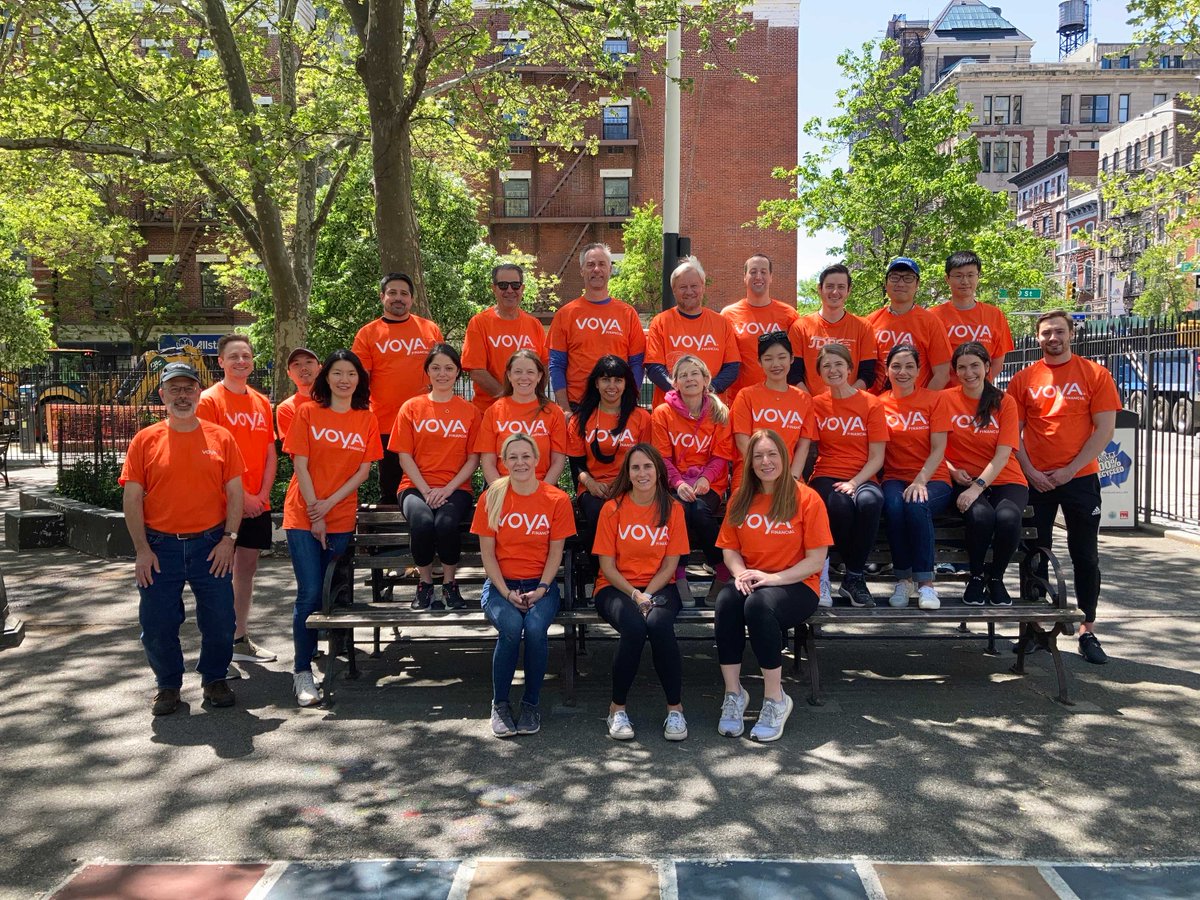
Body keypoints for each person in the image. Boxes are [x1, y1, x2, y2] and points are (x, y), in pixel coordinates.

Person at [121, 362, 244, 716]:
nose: (182, 395)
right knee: (158, 623)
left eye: (188, 388)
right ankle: (168, 686)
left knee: (221, 619)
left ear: (199, 394)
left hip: (211, 546)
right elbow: (132, 498)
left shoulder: (221, 438)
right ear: (162, 396)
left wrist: (229, 540)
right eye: (174, 389)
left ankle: (214, 678)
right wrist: (141, 550)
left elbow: (235, 492)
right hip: (160, 548)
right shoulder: (145, 440)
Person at [1007, 311, 1120, 664]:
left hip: (1080, 479)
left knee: (1085, 555)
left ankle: (1088, 630)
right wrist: (1029, 470)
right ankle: (1034, 629)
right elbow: (1013, 432)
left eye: (1059, 331)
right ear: (1037, 337)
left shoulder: (1095, 374)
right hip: (1036, 480)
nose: (1052, 337)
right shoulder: (1025, 378)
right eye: (1045, 333)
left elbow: (1104, 430)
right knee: (1034, 554)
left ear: (1071, 333)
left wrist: (1071, 470)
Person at [714, 429, 832, 743]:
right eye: (758, 456)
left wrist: (772, 579)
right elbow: (730, 548)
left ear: (785, 457)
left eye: (772, 454)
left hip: (796, 584)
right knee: (727, 602)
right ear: (750, 462)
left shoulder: (806, 498)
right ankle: (734, 694)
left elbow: (816, 560)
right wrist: (739, 573)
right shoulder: (741, 497)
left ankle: (775, 699)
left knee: (758, 605)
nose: (766, 461)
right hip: (753, 578)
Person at [282, 350, 381, 706]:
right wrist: (316, 510)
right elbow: (301, 465)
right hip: (302, 515)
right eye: (337, 373)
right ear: (327, 377)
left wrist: (329, 506)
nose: (344, 380)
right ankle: (301, 670)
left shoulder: (366, 418)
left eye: (351, 374)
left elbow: (363, 472)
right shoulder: (308, 412)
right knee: (310, 592)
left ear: (359, 380)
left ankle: (333, 657)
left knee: (334, 591)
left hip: (340, 516)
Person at [471, 433, 576, 737]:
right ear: (503, 462)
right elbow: (487, 554)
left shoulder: (556, 499)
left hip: (541, 586)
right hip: (500, 586)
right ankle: (500, 704)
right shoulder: (492, 497)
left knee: (533, 629)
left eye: (526, 456)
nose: (520, 462)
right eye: (513, 457)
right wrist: (505, 592)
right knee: (511, 628)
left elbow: (556, 552)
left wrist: (542, 588)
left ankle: (531, 704)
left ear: (537, 460)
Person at [592, 444, 690, 742]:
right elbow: (607, 566)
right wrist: (635, 595)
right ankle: (617, 708)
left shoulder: (673, 509)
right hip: (615, 588)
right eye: (635, 467)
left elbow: (671, 564)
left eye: (648, 466)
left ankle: (675, 709)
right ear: (628, 473)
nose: (642, 473)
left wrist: (647, 593)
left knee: (659, 625)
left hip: (660, 587)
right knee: (634, 627)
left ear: (658, 470)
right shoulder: (613, 509)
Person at [196, 333, 278, 668]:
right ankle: (217, 651)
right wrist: (242, 496)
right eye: (234, 356)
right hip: (223, 503)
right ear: (221, 362)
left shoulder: (260, 401)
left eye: (246, 356)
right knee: (217, 575)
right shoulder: (209, 400)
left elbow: (270, 453)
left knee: (246, 570)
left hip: (258, 503)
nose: (241, 361)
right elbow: (208, 454)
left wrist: (261, 496)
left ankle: (239, 637)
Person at [391, 344, 482, 612]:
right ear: (427, 372)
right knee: (421, 522)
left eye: (449, 368)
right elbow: (404, 456)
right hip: (414, 487)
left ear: (458, 373)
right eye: (436, 368)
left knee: (445, 523)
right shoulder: (411, 408)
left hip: (456, 488)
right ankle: (426, 584)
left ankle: (451, 585)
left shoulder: (470, 411)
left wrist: (447, 489)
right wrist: (426, 490)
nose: (442, 373)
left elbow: (473, 459)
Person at [942, 342, 1028, 607]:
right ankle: (977, 576)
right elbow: (933, 447)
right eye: (962, 367)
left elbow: (1004, 454)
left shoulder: (1004, 402)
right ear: (954, 371)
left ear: (988, 367)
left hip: (1004, 478)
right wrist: (951, 470)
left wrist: (977, 488)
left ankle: (996, 578)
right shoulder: (945, 400)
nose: (969, 373)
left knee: (1008, 518)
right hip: (962, 478)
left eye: (975, 366)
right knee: (980, 516)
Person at [351, 273, 445, 503]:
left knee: (429, 485)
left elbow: (444, 371)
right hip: (386, 424)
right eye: (392, 292)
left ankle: (425, 533)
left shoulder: (429, 329)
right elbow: (359, 381)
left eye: (404, 293)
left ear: (412, 299)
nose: (398, 298)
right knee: (392, 492)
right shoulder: (368, 333)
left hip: (428, 422)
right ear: (382, 296)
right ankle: (396, 539)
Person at [809, 343, 888, 609]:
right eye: (827, 365)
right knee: (839, 505)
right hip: (826, 474)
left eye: (839, 364)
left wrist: (855, 483)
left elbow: (877, 456)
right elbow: (807, 448)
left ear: (850, 368)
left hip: (863, 476)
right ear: (819, 372)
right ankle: (823, 572)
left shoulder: (871, 404)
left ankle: (854, 578)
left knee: (870, 502)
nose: (833, 370)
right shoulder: (816, 405)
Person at [651, 355, 734, 606]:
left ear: (706, 379)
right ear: (674, 383)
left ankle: (721, 568)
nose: (689, 379)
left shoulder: (720, 411)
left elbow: (722, 454)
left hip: (709, 483)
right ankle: (679, 575)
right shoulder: (662, 413)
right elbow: (662, 457)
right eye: (683, 375)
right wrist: (678, 483)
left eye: (694, 373)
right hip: (674, 483)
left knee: (698, 509)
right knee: (678, 509)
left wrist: (706, 479)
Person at [879, 344, 952, 610]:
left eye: (910, 366)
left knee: (916, 503)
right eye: (896, 366)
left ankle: (926, 585)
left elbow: (939, 448)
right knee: (895, 505)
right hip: (894, 477)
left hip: (933, 478)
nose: (903, 372)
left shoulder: (934, 400)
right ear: (887, 370)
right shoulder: (878, 404)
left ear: (919, 371)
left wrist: (921, 480)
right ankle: (902, 579)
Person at [566, 356, 653, 564]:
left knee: (627, 512)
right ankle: (601, 574)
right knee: (600, 511)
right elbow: (576, 463)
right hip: (594, 488)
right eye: (605, 380)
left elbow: (648, 463)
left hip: (633, 486)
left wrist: (624, 484)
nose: (611, 386)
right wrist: (591, 484)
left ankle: (631, 568)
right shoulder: (580, 419)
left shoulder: (641, 418)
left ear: (626, 384)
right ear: (596, 383)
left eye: (618, 380)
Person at [548, 243, 645, 411]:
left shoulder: (627, 313)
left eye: (602, 264)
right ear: (582, 271)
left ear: (610, 269)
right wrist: (565, 409)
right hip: (577, 406)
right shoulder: (565, 314)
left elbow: (636, 363)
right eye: (590, 265)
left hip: (617, 406)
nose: (596, 269)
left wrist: (630, 402)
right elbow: (556, 365)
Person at [645, 256, 739, 405]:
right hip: (670, 409)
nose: (689, 291)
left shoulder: (721, 323)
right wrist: (682, 392)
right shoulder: (660, 322)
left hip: (711, 409)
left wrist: (706, 391)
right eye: (683, 287)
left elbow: (732, 367)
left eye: (694, 286)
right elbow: (654, 367)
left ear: (703, 286)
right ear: (674, 290)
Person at [729, 331, 815, 487]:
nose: (776, 364)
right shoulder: (746, 396)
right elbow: (743, 443)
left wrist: (792, 478)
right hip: (750, 475)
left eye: (782, 357)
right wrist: (766, 473)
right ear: (760, 362)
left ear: (791, 359)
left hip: (789, 476)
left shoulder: (804, 399)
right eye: (768, 359)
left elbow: (803, 446)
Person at [461, 263, 549, 414]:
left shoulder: (534, 324)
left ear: (522, 288)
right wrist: (509, 400)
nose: (510, 290)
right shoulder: (479, 323)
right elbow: (477, 371)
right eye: (503, 285)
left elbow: (545, 367)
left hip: (529, 412)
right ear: (493, 288)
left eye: (515, 285)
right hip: (490, 413)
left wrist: (532, 399)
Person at [476, 349, 567, 486]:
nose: (524, 377)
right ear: (509, 375)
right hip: (502, 487)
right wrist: (500, 492)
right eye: (518, 372)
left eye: (530, 372)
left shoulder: (554, 412)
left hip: (543, 487)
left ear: (539, 376)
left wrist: (540, 494)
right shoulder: (494, 412)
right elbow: (488, 461)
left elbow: (558, 461)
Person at [787, 263, 878, 394]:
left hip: (850, 406)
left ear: (849, 290)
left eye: (841, 287)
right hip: (812, 407)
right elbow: (794, 375)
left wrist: (847, 398)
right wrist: (814, 405)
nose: (835, 292)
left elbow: (867, 374)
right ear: (820, 288)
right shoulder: (800, 327)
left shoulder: (863, 327)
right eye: (830, 286)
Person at [865, 258, 952, 393]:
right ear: (886, 283)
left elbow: (942, 374)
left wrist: (921, 405)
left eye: (908, 278)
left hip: (917, 409)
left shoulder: (931, 322)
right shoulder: (870, 321)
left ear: (917, 284)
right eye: (894, 277)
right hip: (878, 406)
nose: (900, 283)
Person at [720, 253, 800, 398]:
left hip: (780, 397)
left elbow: (797, 359)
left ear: (771, 277)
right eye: (753, 272)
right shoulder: (728, 315)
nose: (758, 276)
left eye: (763, 272)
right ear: (745, 277)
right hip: (740, 398)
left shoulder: (789, 314)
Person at [931, 250, 1014, 384]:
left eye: (970, 275)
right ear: (947, 279)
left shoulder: (995, 315)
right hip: (944, 398)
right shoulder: (933, 316)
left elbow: (998, 363)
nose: (965, 281)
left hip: (981, 397)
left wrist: (976, 386)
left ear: (978, 277)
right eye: (958, 276)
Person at [275, 347, 320, 445]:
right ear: (289, 374)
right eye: (296, 364)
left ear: (319, 368)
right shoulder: (286, 408)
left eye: (309, 362)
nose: (303, 368)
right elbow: (296, 447)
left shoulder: (338, 400)